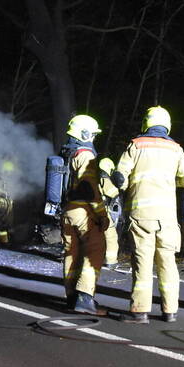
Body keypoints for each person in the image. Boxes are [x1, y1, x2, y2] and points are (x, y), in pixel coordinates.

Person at [111, 106, 184, 324]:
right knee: (167, 263)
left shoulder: (136, 145)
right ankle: (170, 311)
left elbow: (120, 177)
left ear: (146, 123)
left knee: (142, 263)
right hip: (168, 218)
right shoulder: (175, 149)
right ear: (167, 125)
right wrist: (175, 181)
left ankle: (140, 312)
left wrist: (122, 182)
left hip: (142, 216)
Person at [60, 114, 109, 316]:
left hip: (67, 211)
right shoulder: (86, 155)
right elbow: (90, 189)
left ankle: (72, 297)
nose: (94, 138)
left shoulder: (68, 153)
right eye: (93, 134)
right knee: (95, 250)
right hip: (83, 211)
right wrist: (102, 214)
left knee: (71, 252)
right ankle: (85, 298)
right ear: (85, 134)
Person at [97, 157, 122, 270]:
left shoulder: (91, 176)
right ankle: (111, 261)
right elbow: (112, 193)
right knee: (111, 236)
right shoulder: (104, 178)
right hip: (101, 211)